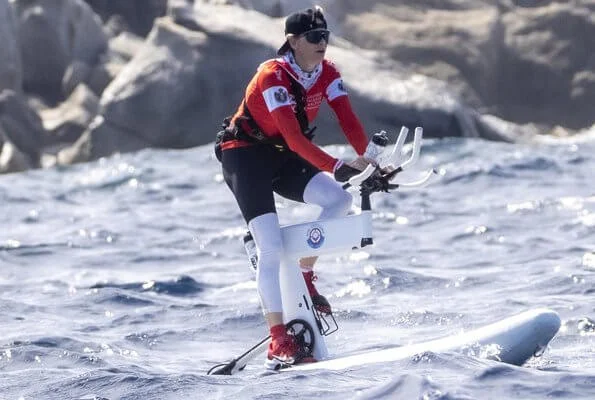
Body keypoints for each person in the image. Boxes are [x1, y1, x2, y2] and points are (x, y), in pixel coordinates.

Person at [217, 5, 377, 367]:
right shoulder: (273, 75)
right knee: (271, 247)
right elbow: (292, 138)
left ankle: (304, 275)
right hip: (245, 155)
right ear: (293, 41)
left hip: (282, 155)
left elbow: (348, 120)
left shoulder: (327, 72)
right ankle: (278, 340)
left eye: (326, 36)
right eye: (314, 38)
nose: (323, 43)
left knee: (338, 201)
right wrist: (338, 167)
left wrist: (371, 163)